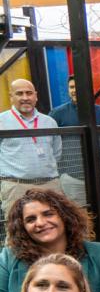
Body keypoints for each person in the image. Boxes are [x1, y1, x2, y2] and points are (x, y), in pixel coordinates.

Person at [50, 76, 100, 257]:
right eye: (71, 87)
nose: (75, 90)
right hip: (72, 178)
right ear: (68, 90)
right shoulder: (57, 114)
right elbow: (50, 144)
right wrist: (63, 171)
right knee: (78, 218)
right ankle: (83, 256)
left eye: (78, 86)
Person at [0, 79, 62, 219]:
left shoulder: (49, 122)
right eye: (19, 93)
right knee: (17, 227)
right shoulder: (1, 121)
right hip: (16, 187)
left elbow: (56, 153)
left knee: (53, 224)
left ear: (36, 96)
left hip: (50, 185)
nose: (25, 98)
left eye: (29, 93)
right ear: (11, 96)